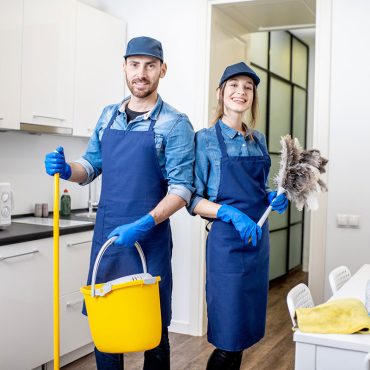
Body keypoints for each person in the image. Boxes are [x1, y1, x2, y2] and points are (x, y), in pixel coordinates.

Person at [44, 36, 195, 370]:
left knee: (153, 332)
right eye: (134, 64)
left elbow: (182, 190)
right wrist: (68, 170)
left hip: (150, 239)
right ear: (125, 68)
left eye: (150, 66)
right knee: (106, 327)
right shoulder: (108, 115)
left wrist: (144, 223)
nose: (141, 73)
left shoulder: (175, 123)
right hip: (108, 241)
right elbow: (91, 166)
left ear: (163, 70)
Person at [188, 62, 288, 370]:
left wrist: (271, 197)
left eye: (248, 87)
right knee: (228, 339)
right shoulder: (204, 139)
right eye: (234, 85)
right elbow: (192, 199)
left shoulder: (257, 139)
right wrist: (229, 212)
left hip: (257, 243)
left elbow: (258, 188)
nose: (241, 92)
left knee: (244, 334)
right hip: (227, 248)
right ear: (220, 92)